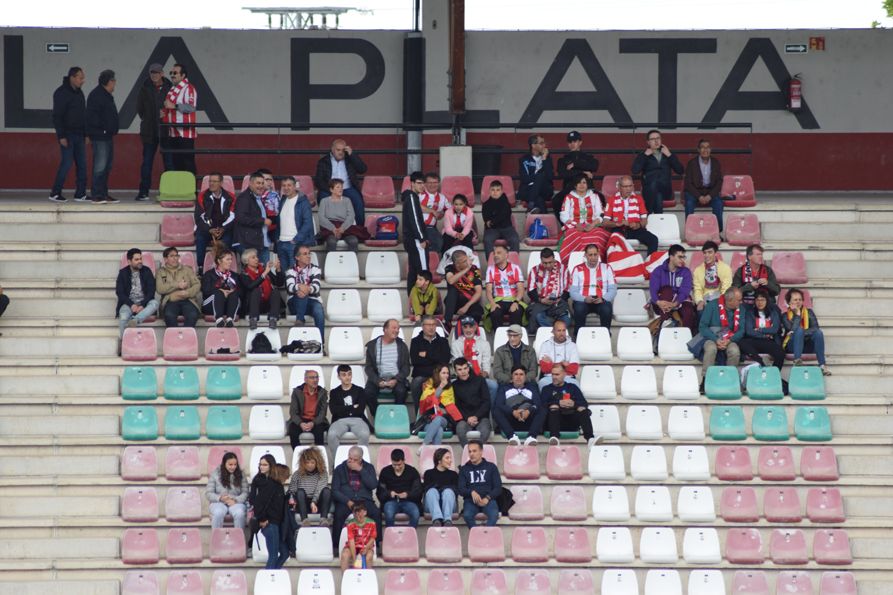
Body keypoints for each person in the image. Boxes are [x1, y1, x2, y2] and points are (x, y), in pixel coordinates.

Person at [49, 66, 87, 203]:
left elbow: (83, 115)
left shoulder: (79, 93)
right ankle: (55, 192)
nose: (83, 80)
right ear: (72, 77)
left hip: (80, 134)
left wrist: (86, 133)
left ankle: (80, 193)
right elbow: (57, 116)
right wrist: (61, 136)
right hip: (68, 135)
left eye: (83, 78)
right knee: (66, 163)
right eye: (80, 77)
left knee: (82, 164)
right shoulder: (61, 93)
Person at [332, 446, 380, 551]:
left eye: (355, 460)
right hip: (346, 501)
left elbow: (373, 485)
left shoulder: (368, 467)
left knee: (376, 513)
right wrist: (347, 501)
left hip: (364, 500)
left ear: (361, 459)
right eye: (350, 458)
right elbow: (335, 490)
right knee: (338, 514)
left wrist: (360, 470)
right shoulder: (340, 469)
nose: (351, 461)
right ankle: (335, 546)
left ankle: (378, 543)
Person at [135, 63, 172, 201]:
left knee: (169, 163)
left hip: (165, 131)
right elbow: (140, 109)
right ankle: (143, 192)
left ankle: (170, 192)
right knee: (147, 163)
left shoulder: (170, 88)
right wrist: (149, 119)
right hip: (149, 131)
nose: (154, 75)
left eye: (157, 72)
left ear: (162, 73)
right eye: (152, 73)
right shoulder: (144, 88)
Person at [695, 287, 745, 385]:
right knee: (711, 349)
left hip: (730, 338)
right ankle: (706, 380)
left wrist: (730, 340)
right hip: (711, 337)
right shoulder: (712, 305)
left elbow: (742, 330)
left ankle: (730, 380)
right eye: (738, 300)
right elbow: (703, 327)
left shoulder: (741, 309)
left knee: (734, 351)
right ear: (730, 300)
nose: (741, 302)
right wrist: (716, 339)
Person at [248, 455, 290, 569]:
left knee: (284, 553)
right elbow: (257, 502)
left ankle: (272, 576)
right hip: (269, 523)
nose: (262, 467)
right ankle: (268, 580)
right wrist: (261, 519)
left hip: (275, 523)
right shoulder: (268, 484)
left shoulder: (276, 485)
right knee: (273, 555)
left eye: (265, 464)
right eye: (261, 464)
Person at [542, 363, 598, 448]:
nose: (554, 377)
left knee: (582, 409)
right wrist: (558, 403)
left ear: (564, 374)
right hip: (554, 422)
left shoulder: (572, 388)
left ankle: (590, 438)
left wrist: (574, 404)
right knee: (554, 407)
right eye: (552, 374)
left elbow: (584, 403)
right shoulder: (547, 389)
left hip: (571, 420)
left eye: (557, 374)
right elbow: (542, 405)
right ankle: (554, 439)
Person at [86, 69, 120, 204]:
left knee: (107, 166)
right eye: (114, 81)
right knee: (100, 166)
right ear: (109, 81)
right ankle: (97, 194)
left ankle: (103, 193)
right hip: (100, 136)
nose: (115, 84)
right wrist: (104, 130)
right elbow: (92, 117)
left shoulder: (106, 95)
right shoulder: (97, 95)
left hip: (107, 136)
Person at [602, 175, 659, 255]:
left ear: (633, 186)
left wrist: (637, 225)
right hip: (618, 229)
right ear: (619, 187)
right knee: (613, 242)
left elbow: (644, 221)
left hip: (635, 229)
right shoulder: (612, 200)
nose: (628, 189)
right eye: (625, 186)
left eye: (630, 186)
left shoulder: (639, 199)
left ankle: (650, 265)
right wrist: (618, 223)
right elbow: (605, 222)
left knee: (653, 240)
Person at [364, 319, 411, 416]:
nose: (397, 330)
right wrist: (377, 381)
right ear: (385, 329)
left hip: (396, 379)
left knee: (401, 391)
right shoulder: (373, 346)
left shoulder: (402, 346)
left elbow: (406, 368)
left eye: (398, 328)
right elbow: (368, 368)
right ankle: (379, 416)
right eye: (394, 328)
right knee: (368, 392)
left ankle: (396, 417)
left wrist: (396, 379)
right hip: (378, 378)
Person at [569, 243, 617, 337]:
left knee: (607, 309)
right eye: (590, 255)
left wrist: (603, 298)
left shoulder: (607, 268)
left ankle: (605, 336)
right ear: (585, 255)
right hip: (583, 301)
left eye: (595, 254)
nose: (593, 257)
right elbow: (573, 292)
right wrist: (584, 298)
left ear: (598, 254)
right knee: (579, 308)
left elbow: (613, 290)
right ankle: (578, 336)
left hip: (601, 300)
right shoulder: (577, 269)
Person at [631, 129, 683, 215]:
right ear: (648, 142)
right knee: (657, 195)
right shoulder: (643, 155)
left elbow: (680, 171)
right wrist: (644, 156)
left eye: (658, 138)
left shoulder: (668, 154)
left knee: (655, 187)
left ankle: (647, 213)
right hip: (649, 190)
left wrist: (669, 155)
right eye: (652, 139)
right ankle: (658, 217)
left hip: (666, 190)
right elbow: (635, 170)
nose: (656, 141)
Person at [315, 138, 366, 225]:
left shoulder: (350, 159)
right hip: (329, 190)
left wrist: (352, 155)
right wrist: (331, 190)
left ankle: (360, 230)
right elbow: (318, 181)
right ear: (332, 149)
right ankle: (326, 230)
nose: (341, 152)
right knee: (322, 198)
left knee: (358, 203)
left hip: (347, 189)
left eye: (343, 150)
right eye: (338, 150)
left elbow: (362, 169)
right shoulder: (324, 161)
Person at [559, 173, 609, 262]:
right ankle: (575, 263)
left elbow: (601, 214)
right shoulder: (569, 197)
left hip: (593, 227)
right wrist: (576, 225)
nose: (582, 185)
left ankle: (599, 262)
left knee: (598, 237)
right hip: (574, 227)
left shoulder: (594, 196)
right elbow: (564, 216)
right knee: (576, 237)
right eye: (579, 183)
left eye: (584, 182)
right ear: (575, 185)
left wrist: (592, 225)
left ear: (587, 184)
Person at [782, 288, 831, 375]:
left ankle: (822, 366)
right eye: (795, 300)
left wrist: (800, 333)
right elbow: (791, 329)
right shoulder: (785, 316)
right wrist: (797, 315)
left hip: (807, 345)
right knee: (799, 330)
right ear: (789, 302)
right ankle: (797, 361)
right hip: (792, 346)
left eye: (800, 300)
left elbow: (815, 328)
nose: (798, 302)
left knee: (818, 333)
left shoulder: (809, 312)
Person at [649, 244, 697, 333]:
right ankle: (665, 327)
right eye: (680, 257)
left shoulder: (686, 272)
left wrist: (675, 303)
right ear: (671, 257)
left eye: (683, 257)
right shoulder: (658, 271)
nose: (682, 260)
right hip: (660, 303)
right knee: (667, 290)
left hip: (679, 302)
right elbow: (653, 290)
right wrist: (658, 302)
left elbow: (685, 291)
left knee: (689, 312)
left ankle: (685, 337)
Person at [493, 366, 546, 446]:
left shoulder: (532, 388)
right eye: (516, 374)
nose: (518, 377)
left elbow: (537, 404)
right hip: (511, 420)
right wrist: (513, 412)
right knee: (496, 409)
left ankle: (531, 437)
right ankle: (512, 437)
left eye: (521, 374)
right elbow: (499, 404)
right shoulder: (504, 388)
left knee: (542, 409)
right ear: (512, 377)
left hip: (528, 419)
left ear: (525, 377)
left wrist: (528, 411)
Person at [553, 130, 600, 220]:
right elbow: (564, 174)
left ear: (580, 142)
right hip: (569, 188)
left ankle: (596, 226)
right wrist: (583, 172)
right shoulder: (563, 160)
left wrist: (575, 164)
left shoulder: (587, 157)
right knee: (556, 200)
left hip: (588, 188)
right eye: (570, 142)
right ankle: (565, 226)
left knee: (600, 198)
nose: (572, 144)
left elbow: (594, 166)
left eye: (575, 141)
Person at [194, 172, 235, 272]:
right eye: (210, 181)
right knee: (200, 237)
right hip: (207, 228)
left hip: (223, 228)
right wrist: (210, 229)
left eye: (214, 181)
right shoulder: (202, 196)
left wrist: (223, 229)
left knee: (227, 240)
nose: (211, 184)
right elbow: (200, 217)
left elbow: (233, 216)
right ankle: (200, 267)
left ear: (221, 183)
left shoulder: (230, 197)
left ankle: (224, 267)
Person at [451, 317, 498, 403]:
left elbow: (486, 362)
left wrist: (486, 372)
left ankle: (490, 410)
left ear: (475, 327)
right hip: (462, 377)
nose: (468, 330)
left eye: (471, 327)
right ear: (462, 328)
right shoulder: (456, 344)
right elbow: (457, 363)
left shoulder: (484, 344)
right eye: (465, 327)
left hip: (479, 376)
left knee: (494, 386)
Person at [327, 365, 372, 456]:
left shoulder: (360, 390)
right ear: (339, 377)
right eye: (344, 375)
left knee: (364, 434)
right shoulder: (334, 392)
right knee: (331, 434)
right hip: (339, 420)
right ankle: (337, 462)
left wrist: (342, 409)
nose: (347, 377)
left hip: (358, 419)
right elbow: (334, 410)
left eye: (349, 374)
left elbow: (360, 409)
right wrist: (352, 407)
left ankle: (359, 460)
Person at [161, 64, 197, 174]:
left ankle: (192, 190)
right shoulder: (172, 89)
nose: (172, 75)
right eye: (171, 73)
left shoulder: (189, 88)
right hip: (173, 132)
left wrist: (175, 106)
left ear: (183, 75)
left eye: (175, 73)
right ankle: (181, 190)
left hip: (185, 132)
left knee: (188, 163)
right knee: (176, 163)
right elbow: (169, 106)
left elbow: (191, 107)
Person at [526, 247, 572, 333]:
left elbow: (568, 289)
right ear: (541, 260)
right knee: (538, 317)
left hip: (559, 302)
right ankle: (556, 330)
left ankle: (552, 329)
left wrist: (560, 299)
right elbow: (531, 290)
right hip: (541, 302)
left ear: (554, 258)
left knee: (567, 320)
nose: (547, 265)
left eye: (550, 262)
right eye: (545, 263)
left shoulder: (563, 269)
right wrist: (541, 300)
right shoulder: (534, 270)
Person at [739, 289, 786, 371]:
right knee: (741, 342)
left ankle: (774, 375)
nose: (760, 302)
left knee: (780, 353)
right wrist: (764, 334)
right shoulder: (750, 313)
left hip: (769, 341)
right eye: (757, 300)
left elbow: (774, 329)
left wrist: (758, 329)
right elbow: (749, 331)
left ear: (767, 301)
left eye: (762, 300)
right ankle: (759, 360)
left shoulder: (773, 312)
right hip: (754, 341)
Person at [458, 440, 502, 526]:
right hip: (470, 501)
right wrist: (471, 492)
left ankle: (485, 536)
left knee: (494, 515)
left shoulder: (491, 467)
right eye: (470, 451)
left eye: (474, 451)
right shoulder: (464, 469)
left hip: (489, 500)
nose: (471, 454)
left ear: (481, 451)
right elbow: (461, 489)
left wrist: (487, 498)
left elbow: (498, 488)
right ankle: (477, 536)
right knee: (467, 515)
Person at [115, 248, 159, 336]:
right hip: (129, 303)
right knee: (123, 317)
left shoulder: (147, 271)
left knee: (155, 303)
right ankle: (124, 342)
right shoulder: (123, 273)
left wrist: (142, 304)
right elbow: (120, 292)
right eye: (136, 259)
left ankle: (135, 320)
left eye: (140, 259)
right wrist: (131, 305)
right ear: (129, 261)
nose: (140, 261)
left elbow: (151, 291)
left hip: (145, 302)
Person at [683, 139, 724, 231]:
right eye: (702, 147)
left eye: (708, 147)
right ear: (698, 150)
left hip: (710, 192)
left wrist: (710, 196)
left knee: (718, 203)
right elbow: (688, 184)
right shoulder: (692, 163)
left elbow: (719, 182)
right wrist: (699, 196)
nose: (705, 150)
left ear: (711, 149)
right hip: (694, 193)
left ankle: (718, 232)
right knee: (689, 203)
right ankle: (689, 231)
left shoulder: (715, 163)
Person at [451, 358, 493, 446]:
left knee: (485, 430)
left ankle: (477, 453)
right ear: (455, 371)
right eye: (460, 369)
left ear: (469, 368)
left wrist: (476, 416)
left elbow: (486, 402)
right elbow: (457, 406)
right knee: (460, 428)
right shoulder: (454, 385)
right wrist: (467, 418)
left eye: (465, 368)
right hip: (464, 419)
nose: (463, 372)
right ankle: (468, 453)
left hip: (481, 417)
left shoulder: (480, 380)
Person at [410, 315, 451, 404]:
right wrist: (436, 358)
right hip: (422, 375)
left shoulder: (443, 341)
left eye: (433, 325)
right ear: (422, 326)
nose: (431, 327)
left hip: (439, 374)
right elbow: (415, 361)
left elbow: (445, 360)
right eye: (428, 325)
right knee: (416, 383)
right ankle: (419, 414)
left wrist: (427, 354)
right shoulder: (415, 341)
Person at [276, 176, 315, 270]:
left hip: (295, 243)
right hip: (282, 243)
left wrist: (296, 240)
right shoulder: (283, 200)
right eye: (284, 185)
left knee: (295, 275)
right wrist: (277, 239)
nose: (286, 188)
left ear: (295, 186)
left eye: (289, 185)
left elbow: (308, 223)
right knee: (285, 275)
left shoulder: (303, 201)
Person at [239, 249, 284, 330]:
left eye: (256, 257)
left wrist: (278, 270)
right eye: (253, 257)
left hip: (266, 304)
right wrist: (264, 274)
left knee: (275, 291)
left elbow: (279, 283)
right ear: (246, 261)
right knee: (256, 290)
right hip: (252, 305)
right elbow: (250, 286)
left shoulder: (263, 270)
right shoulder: (243, 274)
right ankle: (253, 319)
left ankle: (273, 319)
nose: (257, 259)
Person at [155, 247, 200, 328]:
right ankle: (174, 339)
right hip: (170, 301)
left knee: (192, 315)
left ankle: (186, 339)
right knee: (169, 315)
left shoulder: (187, 270)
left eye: (177, 256)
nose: (175, 258)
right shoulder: (160, 272)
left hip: (188, 300)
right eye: (172, 256)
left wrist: (187, 293)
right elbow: (160, 289)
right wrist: (177, 285)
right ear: (165, 259)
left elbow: (197, 285)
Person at [377, 448, 422, 527]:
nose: (397, 467)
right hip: (391, 501)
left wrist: (407, 494)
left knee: (415, 513)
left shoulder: (412, 472)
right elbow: (380, 492)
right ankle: (391, 536)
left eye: (399, 465)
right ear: (391, 461)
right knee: (389, 512)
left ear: (404, 460)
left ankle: (409, 536)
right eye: (394, 465)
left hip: (409, 501)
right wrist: (389, 493)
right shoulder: (385, 472)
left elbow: (418, 492)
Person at [286, 245, 325, 337]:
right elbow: (290, 287)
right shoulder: (290, 270)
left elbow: (316, 287)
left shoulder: (316, 269)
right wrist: (300, 286)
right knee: (300, 295)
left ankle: (320, 344)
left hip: (312, 302)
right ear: (297, 257)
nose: (308, 256)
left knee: (319, 310)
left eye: (309, 253)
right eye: (305, 254)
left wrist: (306, 289)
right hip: (294, 303)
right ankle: (300, 319)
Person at [233, 171, 272, 263]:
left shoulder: (259, 198)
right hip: (249, 244)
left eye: (262, 183)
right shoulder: (244, 198)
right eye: (258, 183)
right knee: (251, 274)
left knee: (264, 273)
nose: (261, 186)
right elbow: (241, 218)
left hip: (261, 243)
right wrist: (262, 221)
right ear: (250, 183)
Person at [402, 171, 431, 295]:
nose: (422, 186)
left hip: (411, 239)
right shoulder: (412, 198)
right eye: (419, 183)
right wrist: (422, 238)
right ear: (412, 183)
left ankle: (412, 302)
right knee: (423, 272)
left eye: (423, 183)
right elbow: (415, 220)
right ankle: (423, 302)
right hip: (415, 240)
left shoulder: (411, 197)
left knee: (413, 272)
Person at [485, 244, 526, 329]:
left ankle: (516, 338)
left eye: (499, 253)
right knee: (495, 312)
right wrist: (492, 303)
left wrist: (516, 302)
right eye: (494, 253)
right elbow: (488, 290)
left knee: (517, 312)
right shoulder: (490, 269)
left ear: (506, 255)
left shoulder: (515, 268)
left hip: (514, 299)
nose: (495, 255)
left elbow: (521, 289)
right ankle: (498, 339)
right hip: (498, 299)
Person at [417, 364, 461, 445]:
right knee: (439, 430)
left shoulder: (449, 387)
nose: (446, 375)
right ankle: (437, 454)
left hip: (444, 419)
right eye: (443, 373)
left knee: (438, 419)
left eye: (447, 373)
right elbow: (428, 401)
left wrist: (442, 410)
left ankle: (424, 445)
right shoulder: (428, 384)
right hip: (429, 419)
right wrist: (441, 386)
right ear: (437, 374)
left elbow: (451, 407)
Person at [288, 446, 331, 526]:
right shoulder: (297, 474)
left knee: (326, 491)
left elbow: (319, 489)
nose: (309, 465)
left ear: (317, 462)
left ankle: (323, 519)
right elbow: (292, 491)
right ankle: (305, 520)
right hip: (303, 503)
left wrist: (314, 502)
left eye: (312, 462)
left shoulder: (322, 473)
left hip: (317, 502)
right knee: (300, 492)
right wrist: (292, 501)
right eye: (307, 463)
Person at [206, 452, 249, 530]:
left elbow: (245, 493)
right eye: (230, 464)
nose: (233, 467)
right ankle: (216, 540)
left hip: (236, 502)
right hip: (218, 502)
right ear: (224, 463)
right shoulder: (215, 474)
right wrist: (220, 498)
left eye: (235, 464)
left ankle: (239, 539)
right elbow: (209, 493)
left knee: (239, 514)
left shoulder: (241, 474)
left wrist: (235, 500)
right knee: (218, 513)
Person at [443, 249, 484, 330]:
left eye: (467, 259)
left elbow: (478, 292)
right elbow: (451, 280)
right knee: (453, 289)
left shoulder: (474, 269)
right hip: (454, 303)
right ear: (457, 264)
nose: (468, 262)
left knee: (477, 312)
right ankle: (447, 322)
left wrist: (466, 307)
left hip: (469, 302)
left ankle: (463, 323)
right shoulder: (450, 268)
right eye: (464, 261)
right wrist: (466, 269)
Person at [318, 179, 363, 252]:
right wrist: (333, 229)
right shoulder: (324, 201)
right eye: (338, 187)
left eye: (342, 187)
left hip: (345, 227)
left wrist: (342, 228)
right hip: (330, 228)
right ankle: (331, 262)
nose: (341, 189)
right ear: (331, 189)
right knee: (331, 242)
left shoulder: (347, 200)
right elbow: (321, 217)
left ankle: (351, 262)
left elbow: (351, 216)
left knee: (353, 241)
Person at [287, 368, 329, 448]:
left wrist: (313, 423)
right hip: (301, 419)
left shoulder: (322, 392)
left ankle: (318, 457)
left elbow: (322, 413)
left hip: (316, 420)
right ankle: (299, 456)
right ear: (305, 380)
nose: (315, 380)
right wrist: (300, 423)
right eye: (312, 378)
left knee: (319, 433)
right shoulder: (297, 392)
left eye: (317, 377)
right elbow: (293, 412)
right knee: (293, 431)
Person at [482, 179, 520, 260]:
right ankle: (491, 264)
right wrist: (493, 221)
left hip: (506, 228)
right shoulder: (486, 204)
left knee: (515, 239)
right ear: (489, 190)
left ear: (502, 191)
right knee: (487, 240)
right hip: (492, 230)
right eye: (493, 190)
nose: (495, 192)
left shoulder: (506, 203)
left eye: (498, 190)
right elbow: (486, 218)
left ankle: (512, 264)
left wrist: (492, 221)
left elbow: (504, 215)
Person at [201, 249, 240, 327]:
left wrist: (230, 292)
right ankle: (219, 319)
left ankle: (230, 319)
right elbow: (206, 291)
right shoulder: (209, 274)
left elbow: (241, 292)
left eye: (231, 259)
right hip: (211, 305)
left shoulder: (234, 275)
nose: (230, 262)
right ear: (219, 261)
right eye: (227, 259)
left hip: (228, 305)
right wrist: (221, 291)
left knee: (234, 294)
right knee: (219, 293)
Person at [536, 320, 580, 389]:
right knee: (542, 383)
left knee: (575, 384)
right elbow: (545, 368)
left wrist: (552, 364)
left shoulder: (573, 346)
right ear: (553, 332)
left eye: (563, 330)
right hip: (549, 378)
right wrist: (564, 365)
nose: (562, 333)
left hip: (567, 378)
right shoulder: (545, 345)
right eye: (559, 331)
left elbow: (574, 369)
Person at [692, 240, 732, 312]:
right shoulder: (697, 270)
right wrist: (699, 301)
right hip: (704, 300)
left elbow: (726, 289)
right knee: (700, 311)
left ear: (716, 253)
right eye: (705, 253)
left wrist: (720, 301)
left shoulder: (725, 268)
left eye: (710, 252)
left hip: (720, 299)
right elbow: (697, 290)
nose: (707, 255)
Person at [423, 447, 459, 526]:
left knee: (448, 491)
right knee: (432, 491)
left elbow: (456, 491)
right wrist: (441, 488)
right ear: (439, 461)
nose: (450, 460)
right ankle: (437, 520)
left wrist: (443, 488)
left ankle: (447, 521)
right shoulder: (428, 473)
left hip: (449, 505)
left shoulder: (453, 474)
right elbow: (426, 490)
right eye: (447, 458)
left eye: (450, 458)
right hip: (431, 505)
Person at [519, 134, 554, 214]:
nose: (544, 145)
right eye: (541, 143)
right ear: (533, 145)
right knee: (539, 200)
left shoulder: (547, 158)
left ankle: (530, 205)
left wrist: (544, 159)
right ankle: (544, 220)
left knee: (541, 176)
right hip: (528, 190)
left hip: (544, 190)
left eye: (544, 143)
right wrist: (538, 176)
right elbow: (524, 178)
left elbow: (550, 177)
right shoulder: (524, 159)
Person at [339, 502, 377, 570]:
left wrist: (366, 549)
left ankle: (367, 578)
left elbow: (372, 538)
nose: (357, 515)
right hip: (353, 547)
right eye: (355, 512)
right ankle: (345, 579)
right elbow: (351, 542)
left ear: (365, 512)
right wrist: (354, 559)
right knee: (344, 555)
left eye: (359, 512)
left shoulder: (372, 523)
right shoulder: (350, 524)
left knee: (369, 557)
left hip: (367, 546)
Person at [420, 172, 449, 254]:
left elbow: (449, 210)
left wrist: (442, 214)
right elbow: (415, 207)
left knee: (443, 241)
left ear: (439, 183)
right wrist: (432, 211)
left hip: (431, 228)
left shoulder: (442, 198)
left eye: (435, 182)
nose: (432, 185)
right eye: (430, 182)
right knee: (437, 242)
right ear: (425, 184)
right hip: (419, 226)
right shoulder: (420, 194)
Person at [258, 169, 281, 247]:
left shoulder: (274, 195)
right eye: (267, 179)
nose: (270, 182)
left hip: (271, 228)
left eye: (271, 180)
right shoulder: (252, 195)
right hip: (256, 227)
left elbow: (278, 214)